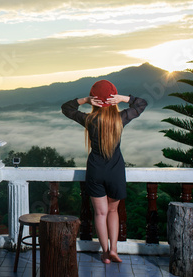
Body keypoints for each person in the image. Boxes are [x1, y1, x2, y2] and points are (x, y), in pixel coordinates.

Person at [61, 79, 147, 264]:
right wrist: (123, 98)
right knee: (113, 211)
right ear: (112, 99)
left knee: (100, 213)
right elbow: (141, 104)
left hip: (95, 171)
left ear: (96, 100)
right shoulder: (121, 118)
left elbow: (66, 108)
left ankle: (105, 253)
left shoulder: (89, 119)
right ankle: (114, 250)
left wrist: (85, 100)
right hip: (115, 171)